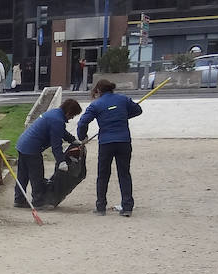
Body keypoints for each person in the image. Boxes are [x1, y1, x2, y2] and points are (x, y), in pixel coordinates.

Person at [76, 78, 143, 217]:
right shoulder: (123, 99)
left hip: (106, 143)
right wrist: (122, 116)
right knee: (124, 174)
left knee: (103, 175)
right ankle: (127, 207)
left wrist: (83, 136)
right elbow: (138, 110)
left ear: (98, 90)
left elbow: (82, 122)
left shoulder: (96, 105)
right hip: (124, 141)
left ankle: (101, 207)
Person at [13, 97, 81, 208]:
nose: (72, 118)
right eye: (72, 115)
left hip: (22, 144)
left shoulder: (55, 113)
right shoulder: (57, 120)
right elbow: (56, 145)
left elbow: (61, 132)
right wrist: (61, 162)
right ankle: (38, 201)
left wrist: (73, 140)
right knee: (36, 175)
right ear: (69, 112)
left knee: (23, 175)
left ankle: (19, 199)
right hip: (32, 148)